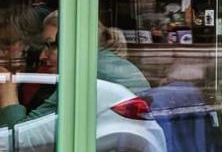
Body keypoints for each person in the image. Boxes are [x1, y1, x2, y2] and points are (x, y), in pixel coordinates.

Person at [0, 11, 150, 127]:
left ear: (74, 43)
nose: (43, 56)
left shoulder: (85, 73)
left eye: (51, 45)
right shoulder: (102, 63)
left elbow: (20, 138)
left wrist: (7, 87)